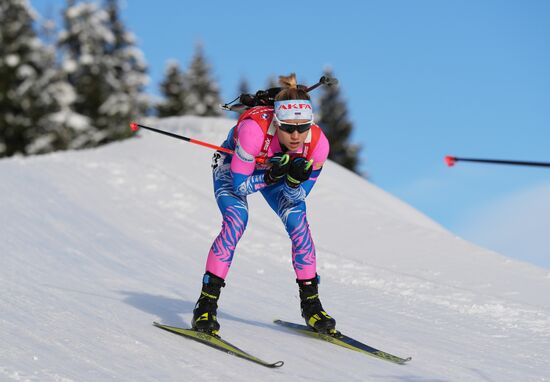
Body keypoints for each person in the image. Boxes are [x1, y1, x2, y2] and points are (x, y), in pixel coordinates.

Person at [192, 73, 336, 335]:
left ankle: (312, 306)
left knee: (299, 225)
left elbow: (298, 198)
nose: (296, 135)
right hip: (235, 169)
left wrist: (292, 182)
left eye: (302, 127)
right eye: (288, 128)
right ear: (276, 121)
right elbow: (240, 186)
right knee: (237, 221)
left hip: (272, 173)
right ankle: (206, 304)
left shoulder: (317, 144)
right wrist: (271, 175)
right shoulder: (253, 131)